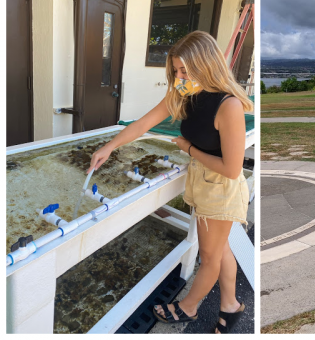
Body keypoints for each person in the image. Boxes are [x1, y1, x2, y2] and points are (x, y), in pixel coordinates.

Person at [88, 31, 253, 333]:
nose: (179, 76)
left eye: (185, 70)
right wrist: (109, 147)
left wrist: (188, 148)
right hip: (204, 184)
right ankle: (230, 306)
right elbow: (142, 123)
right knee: (221, 250)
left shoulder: (228, 106)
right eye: (176, 70)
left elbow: (232, 169)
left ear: (207, 65)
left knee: (209, 257)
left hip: (220, 190)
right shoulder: (184, 94)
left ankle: (188, 307)